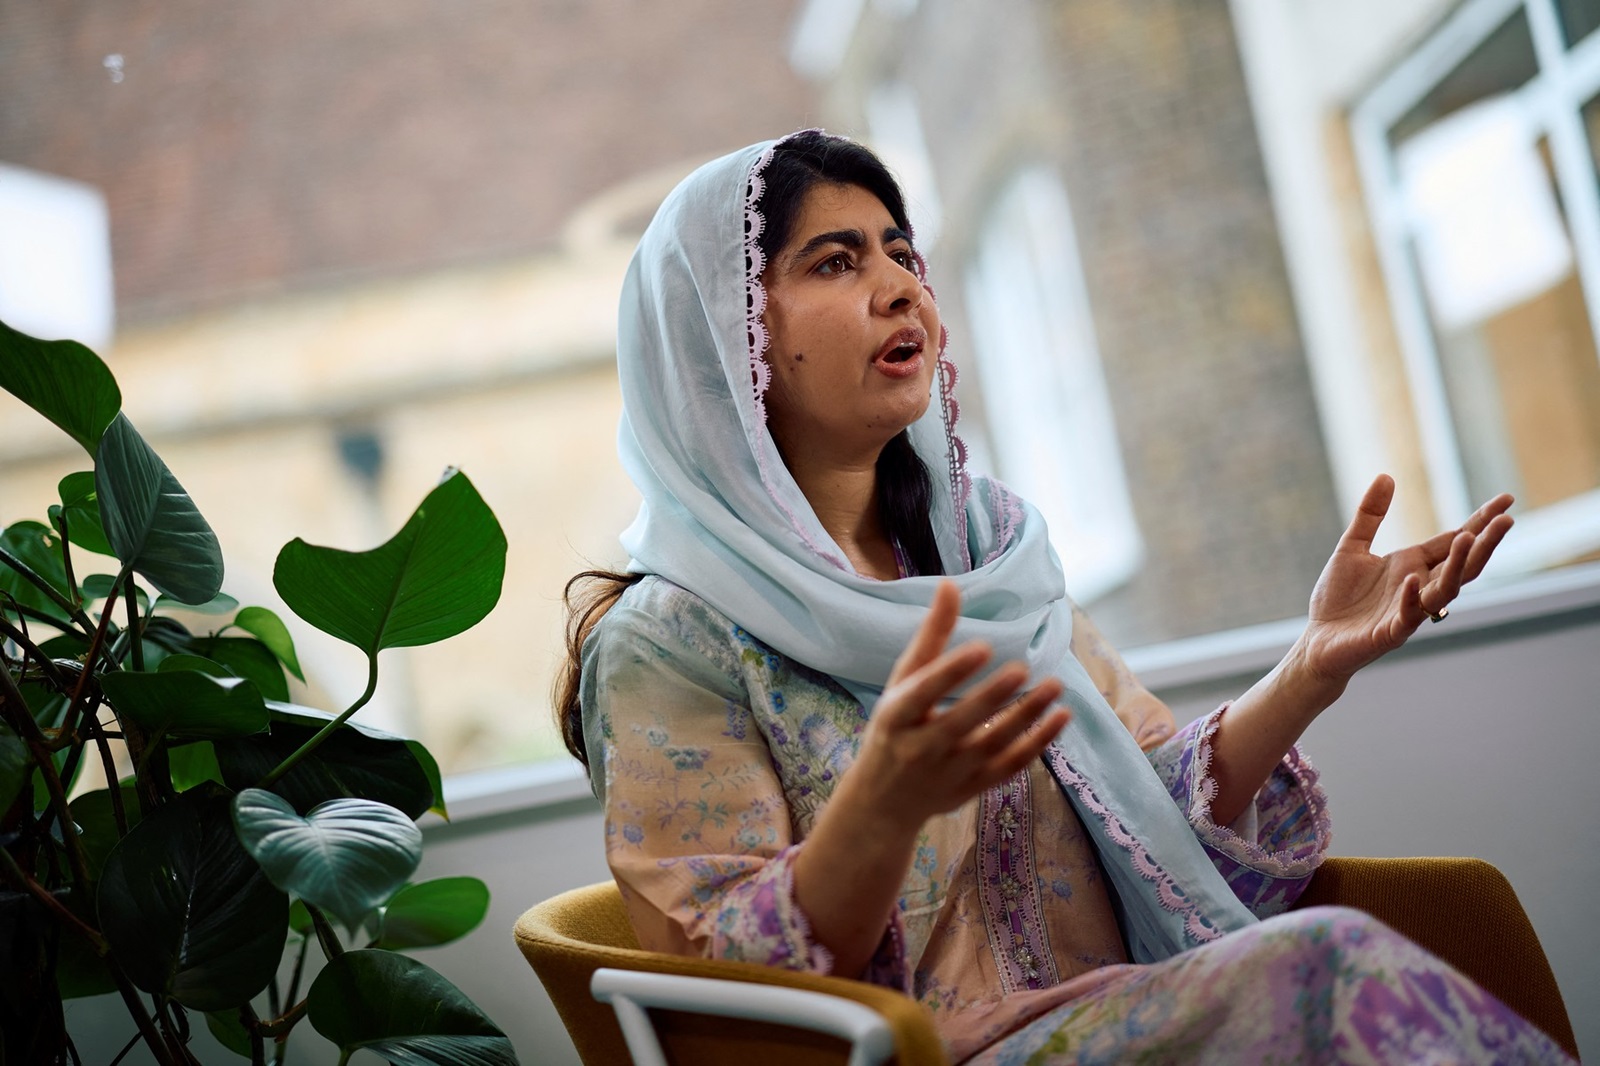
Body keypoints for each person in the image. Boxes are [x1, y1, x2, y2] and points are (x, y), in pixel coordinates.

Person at [555, 130, 1569, 1063]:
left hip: (1122, 1017)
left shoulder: (987, 560)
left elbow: (1153, 817)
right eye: (836, 261)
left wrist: (1310, 666)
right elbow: (717, 991)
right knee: (1325, 964)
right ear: (725, 341)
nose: (901, 287)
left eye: (902, 253)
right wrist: (884, 801)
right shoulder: (671, 640)